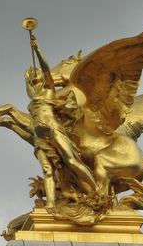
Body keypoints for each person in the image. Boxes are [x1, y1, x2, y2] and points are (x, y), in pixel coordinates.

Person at [26, 36, 97, 208]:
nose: (36, 79)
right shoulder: (33, 95)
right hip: (40, 137)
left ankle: (96, 190)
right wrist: (27, 76)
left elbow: (46, 69)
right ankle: (50, 204)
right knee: (48, 170)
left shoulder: (49, 89)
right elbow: (29, 84)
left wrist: (37, 50)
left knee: (72, 162)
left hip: (53, 130)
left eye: (39, 77)